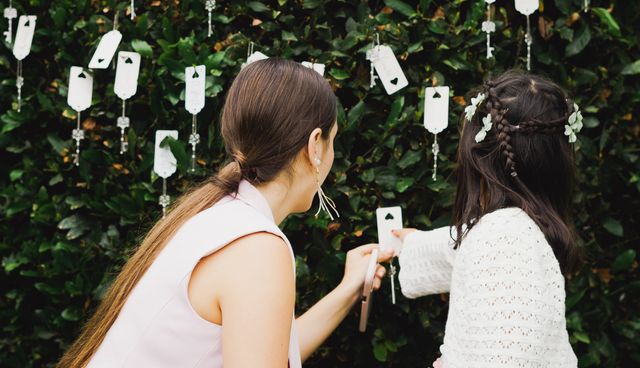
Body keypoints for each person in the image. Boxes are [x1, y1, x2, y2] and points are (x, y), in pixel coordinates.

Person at [58, 58, 392, 368]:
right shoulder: (257, 247)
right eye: (333, 141)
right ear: (315, 145)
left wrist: (348, 289)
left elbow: (265, 349)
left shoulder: (219, 215)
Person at [394, 70, 582, 367]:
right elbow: (458, 248)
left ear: (479, 159)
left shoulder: (504, 235)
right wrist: (408, 243)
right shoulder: (516, 229)